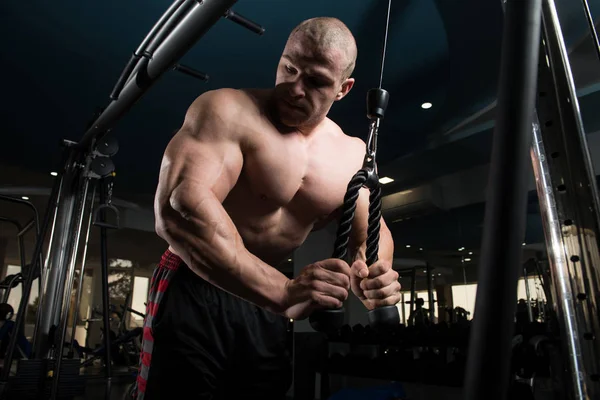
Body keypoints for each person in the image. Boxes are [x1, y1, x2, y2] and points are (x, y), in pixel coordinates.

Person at [134, 17, 401, 400]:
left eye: (316, 81)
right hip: (197, 283)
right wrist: (282, 291)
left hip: (271, 303)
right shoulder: (228, 111)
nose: (294, 87)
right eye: (289, 67)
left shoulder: (352, 154)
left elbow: (371, 234)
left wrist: (375, 276)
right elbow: (180, 209)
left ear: (343, 89)